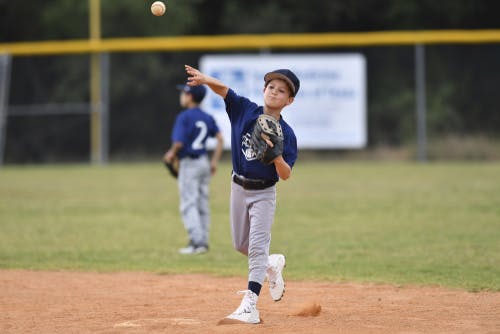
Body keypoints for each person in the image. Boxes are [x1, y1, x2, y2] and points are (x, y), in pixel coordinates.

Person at [183, 64, 299, 323]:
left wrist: (276, 155)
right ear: (263, 89)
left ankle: (251, 306)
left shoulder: (287, 134)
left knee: (257, 247)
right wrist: (204, 80)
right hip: (238, 186)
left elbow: (286, 173)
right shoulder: (245, 110)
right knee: (240, 245)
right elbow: (225, 90)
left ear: (289, 101)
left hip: (264, 193)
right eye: (271, 87)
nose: (274, 92)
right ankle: (271, 264)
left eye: (282, 91)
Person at [164, 84, 224, 255]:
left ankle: (197, 243)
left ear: (190, 96)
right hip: (204, 161)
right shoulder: (207, 116)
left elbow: (179, 143)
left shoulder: (184, 117)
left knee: (189, 203)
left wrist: (171, 154)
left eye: (184, 92)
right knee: (202, 203)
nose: (182, 95)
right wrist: (214, 162)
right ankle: (203, 241)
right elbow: (220, 139)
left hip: (189, 163)